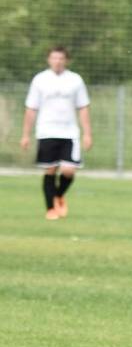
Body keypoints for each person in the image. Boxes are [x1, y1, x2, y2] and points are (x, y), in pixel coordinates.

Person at [20, 46, 92, 220]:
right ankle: (51, 209)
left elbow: (83, 107)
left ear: (66, 60)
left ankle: (58, 195)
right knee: (50, 169)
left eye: (61, 58)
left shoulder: (75, 80)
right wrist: (25, 134)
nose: (57, 61)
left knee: (69, 170)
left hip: (69, 132)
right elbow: (31, 108)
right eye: (54, 58)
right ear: (49, 59)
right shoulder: (40, 80)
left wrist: (87, 133)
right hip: (46, 131)